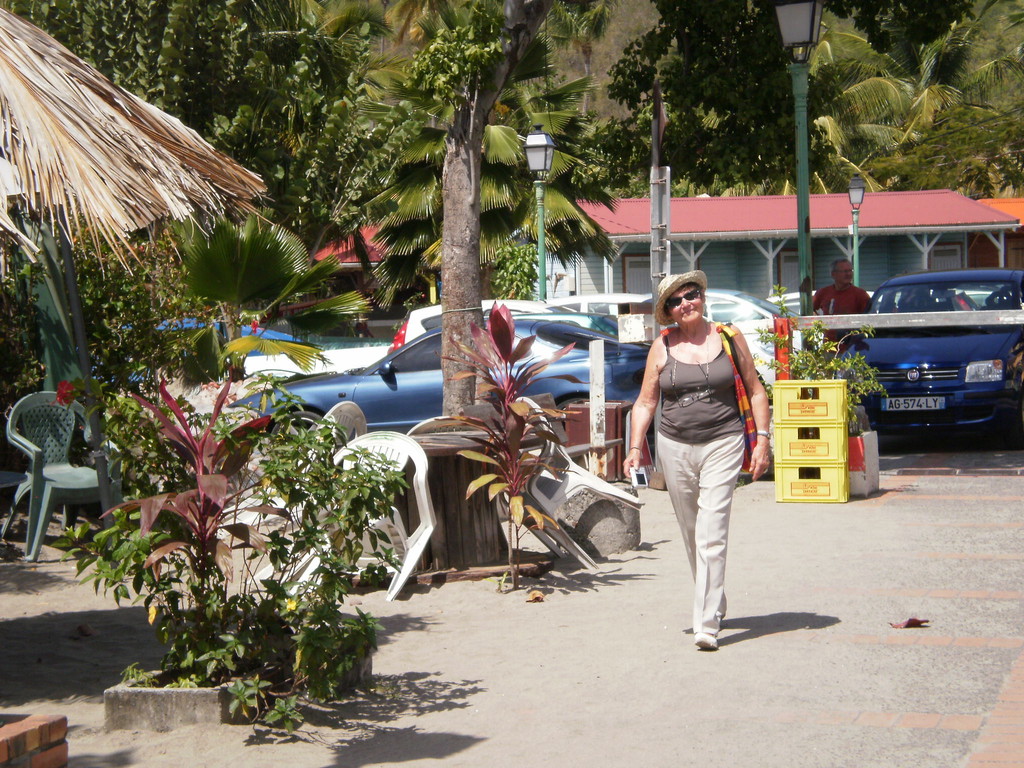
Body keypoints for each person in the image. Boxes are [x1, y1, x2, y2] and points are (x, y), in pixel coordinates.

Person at [624, 271, 771, 652]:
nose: (686, 303)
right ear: (668, 311)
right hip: (675, 446)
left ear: (702, 297)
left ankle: (706, 623)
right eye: (676, 301)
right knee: (692, 532)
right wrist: (635, 448)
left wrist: (763, 442)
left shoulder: (728, 336)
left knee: (711, 530)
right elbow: (645, 402)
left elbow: (755, 390)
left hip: (723, 441)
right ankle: (715, 599)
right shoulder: (663, 345)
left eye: (691, 295)